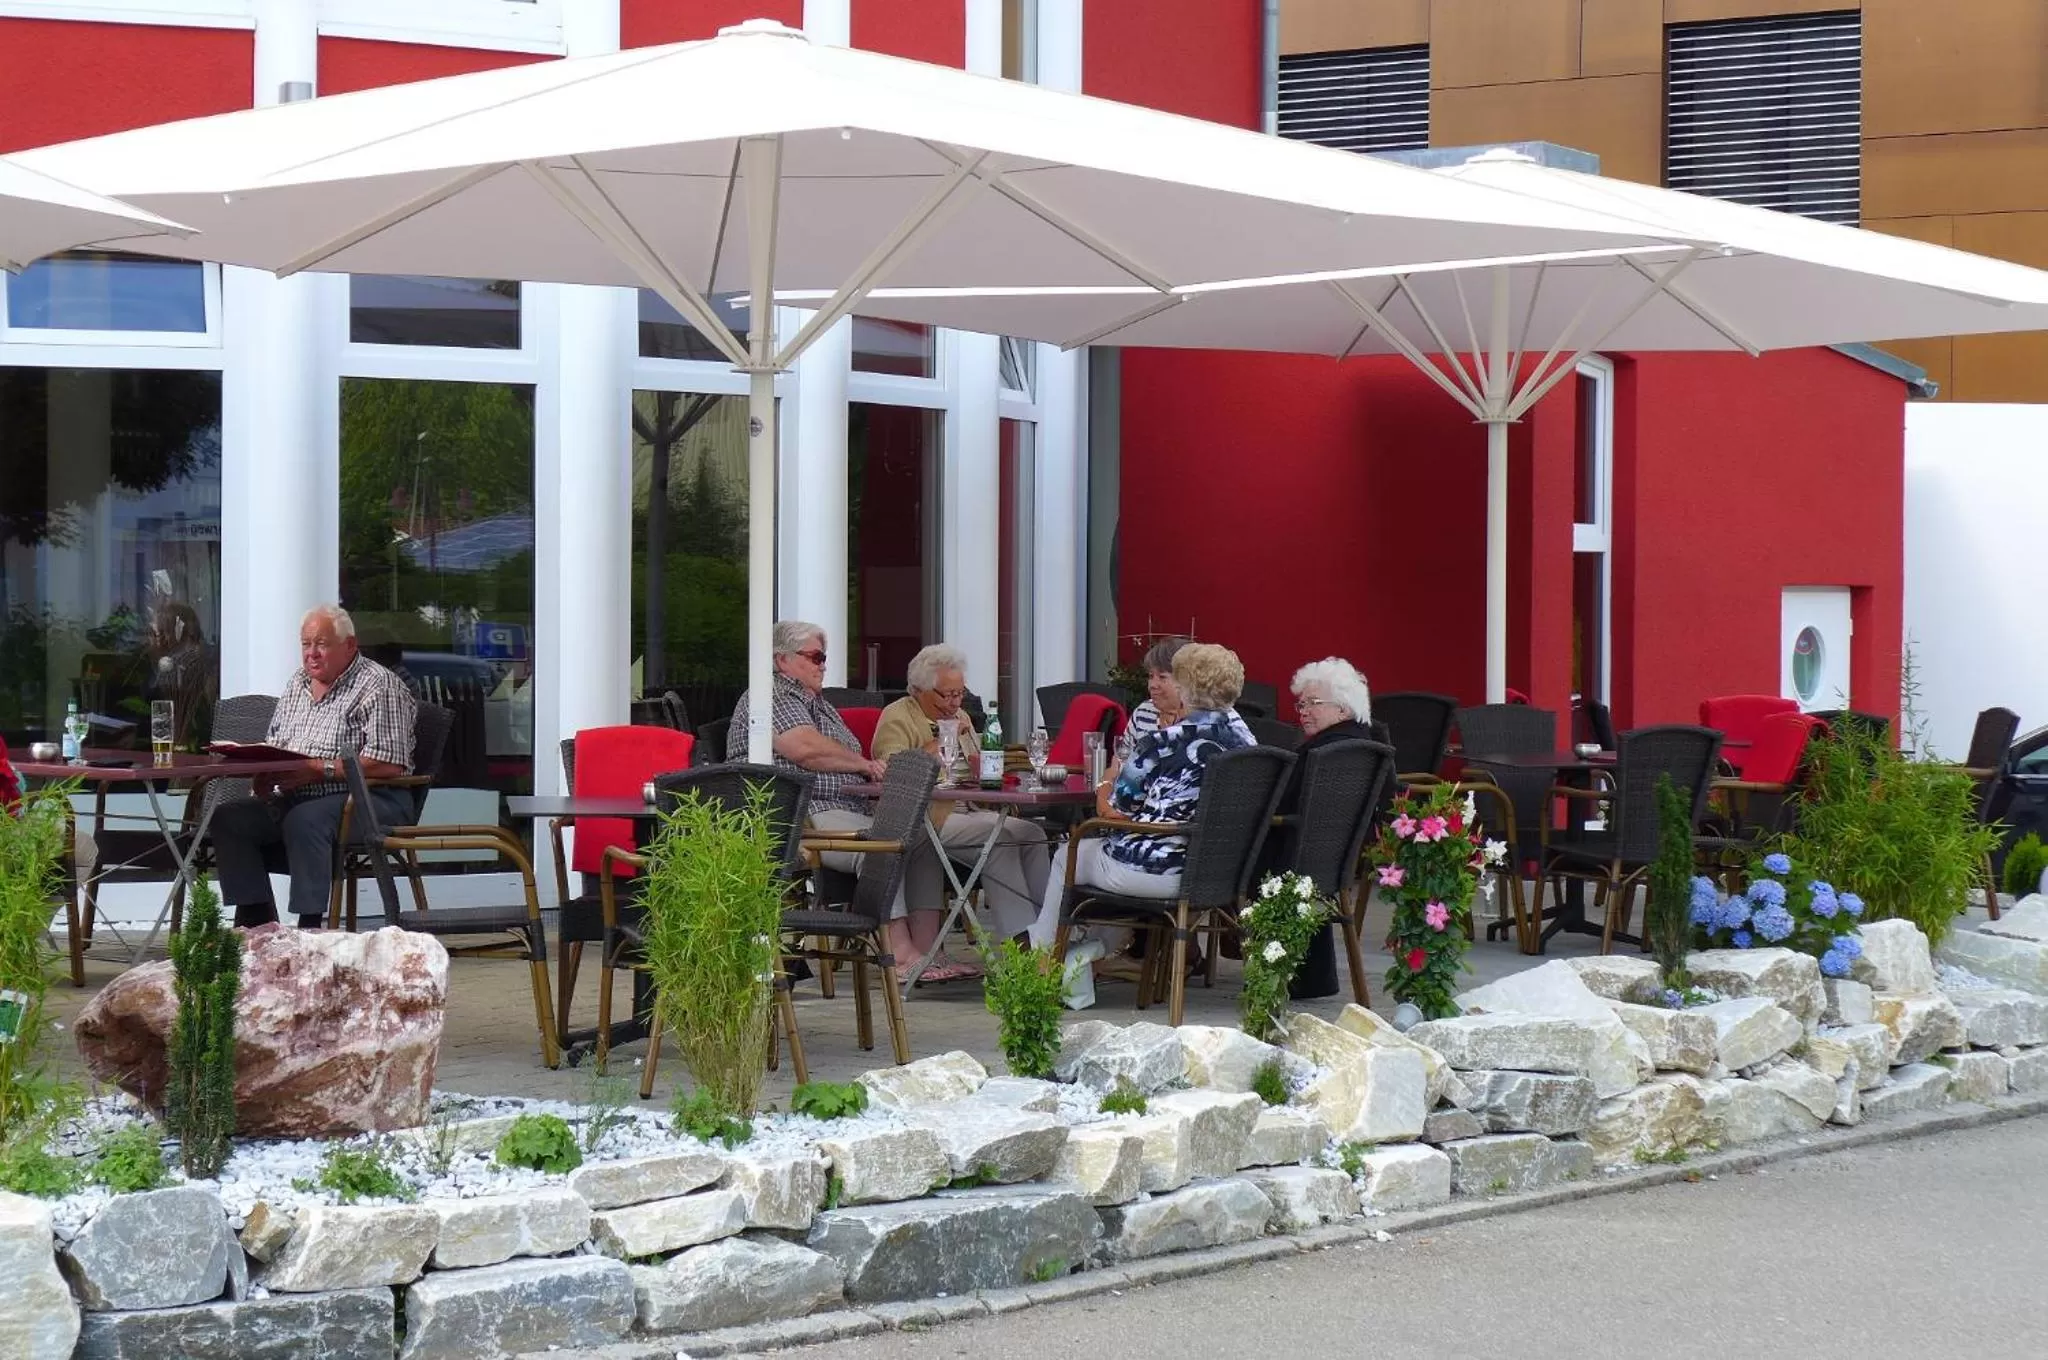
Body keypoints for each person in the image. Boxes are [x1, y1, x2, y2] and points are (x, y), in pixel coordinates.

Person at [1030, 642, 1251, 955]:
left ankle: (1042, 959)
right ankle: (1093, 955)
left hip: (1159, 870)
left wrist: (1105, 782)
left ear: (1185, 688)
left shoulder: (1163, 742)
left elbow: (1113, 810)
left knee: (1069, 853)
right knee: (1099, 849)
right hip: (1223, 872)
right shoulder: (1247, 740)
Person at [209, 604, 418, 930]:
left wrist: (319, 769)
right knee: (230, 818)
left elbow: (389, 764)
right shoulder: (298, 683)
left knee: (306, 819)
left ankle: (308, 930)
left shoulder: (379, 686)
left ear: (349, 645)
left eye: (322, 644)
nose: (312, 654)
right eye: (306, 644)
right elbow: (277, 741)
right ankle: (259, 927)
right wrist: (266, 774)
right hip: (298, 795)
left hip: (371, 801)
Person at [871, 644, 1050, 980]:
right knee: (1002, 839)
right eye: (947, 695)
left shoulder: (962, 717)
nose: (955, 703)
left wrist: (986, 764)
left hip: (969, 809)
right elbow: (894, 774)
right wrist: (940, 743)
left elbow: (980, 766)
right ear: (920, 690)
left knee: (1032, 834)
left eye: (959, 694)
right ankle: (1021, 948)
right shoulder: (898, 716)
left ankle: (1049, 935)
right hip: (929, 817)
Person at [726, 620, 888, 860]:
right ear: (783, 660)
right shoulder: (770, 693)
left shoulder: (819, 703)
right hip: (802, 815)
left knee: (918, 841)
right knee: (886, 854)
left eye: (823, 658)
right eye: (816, 657)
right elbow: (806, 749)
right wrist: (864, 765)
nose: (823, 666)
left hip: (846, 808)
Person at [1264, 657, 1377, 999]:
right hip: (1334, 865)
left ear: (1343, 708)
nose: (1303, 711)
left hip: (1286, 864)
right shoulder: (1368, 748)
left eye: (1313, 703)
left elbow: (1278, 803)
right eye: (1301, 703)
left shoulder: (1319, 752)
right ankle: (1311, 978)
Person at [1121, 635, 1255, 751]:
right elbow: (1119, 764)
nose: (1152, 685)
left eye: (1162, 677)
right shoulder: (1143, 712)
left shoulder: (1221, 721)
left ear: (1185, 679)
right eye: (1150, 676)